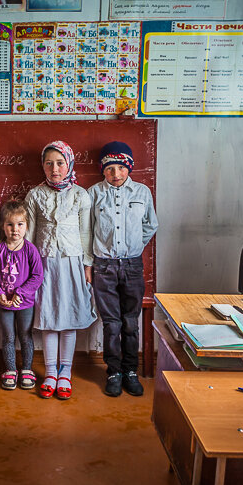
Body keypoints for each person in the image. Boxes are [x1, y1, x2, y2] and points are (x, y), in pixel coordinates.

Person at [25, 141, 96, 399]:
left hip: (72, 263)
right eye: (48, 163)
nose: (54, 169)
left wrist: (88, 265)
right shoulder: (34, 195)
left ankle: (66, 371)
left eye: (60, 163)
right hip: (44, 264)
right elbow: (29, 235)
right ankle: (51, 371)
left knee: (68, 317)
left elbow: (86, 232)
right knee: (48, 317)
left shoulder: (80, 195)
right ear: (42, 165)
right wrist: (28, 267)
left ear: (69, 164)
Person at [88, 142, 157, 398]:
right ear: (102, 171)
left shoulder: (142, 192)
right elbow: (88, 229)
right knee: (112, 323)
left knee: (130, 322)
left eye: (120, 168)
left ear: (129, 167)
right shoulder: (94, 193)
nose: (115, 174)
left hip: (132, 265)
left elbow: (151, 224)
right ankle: (114, 371)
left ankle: (131, 371)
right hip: (103, 266)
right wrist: (91, 262)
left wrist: (135, 245)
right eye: (109, 169)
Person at [0, 199, 44, 391]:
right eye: (10, 225)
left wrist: (21, 292)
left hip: (25, 303)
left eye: (20, 224)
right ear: (3, 226)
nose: (15, 229)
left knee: (25, 335)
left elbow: (37, 276)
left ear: (26, 226)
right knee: (8, 337)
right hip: (4, 303)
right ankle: (10, 370)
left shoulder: (30, 250)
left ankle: (27, 369)